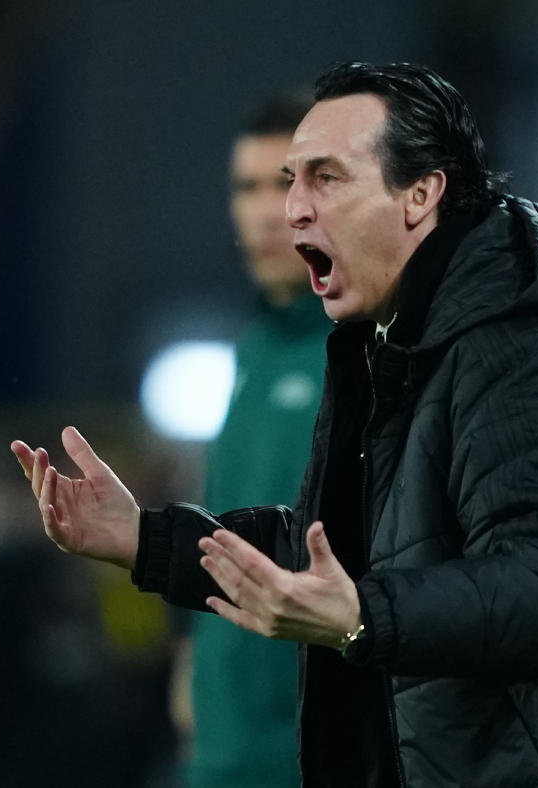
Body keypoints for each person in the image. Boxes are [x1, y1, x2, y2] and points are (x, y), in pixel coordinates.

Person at [12, 61, 538, 788]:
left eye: (326, 178)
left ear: (421, 195)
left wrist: (360, 616)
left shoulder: (530, 342)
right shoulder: (403, 344)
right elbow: (342, 554)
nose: (293, 208)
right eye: (289, 182)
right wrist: (147, 540)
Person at [173, 91, 330, 788]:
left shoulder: (372, 356)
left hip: (304, 758)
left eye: (286, 184)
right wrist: (194, 657)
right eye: (247, 187)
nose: (267, 212)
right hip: (218, 753)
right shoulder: (252, 352)